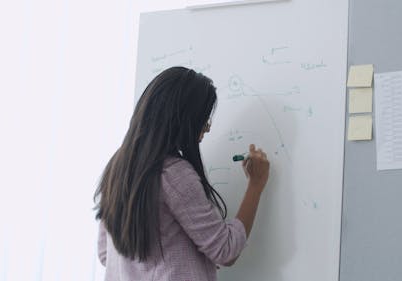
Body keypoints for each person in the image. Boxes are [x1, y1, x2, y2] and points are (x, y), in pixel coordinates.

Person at [94, 66, 270, 281]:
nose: (207, 128)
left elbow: (105, 254)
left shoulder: (118, 166)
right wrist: (255, 185)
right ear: (184, 120)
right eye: (204, 119)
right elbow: (226, 249)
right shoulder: (174, 174)